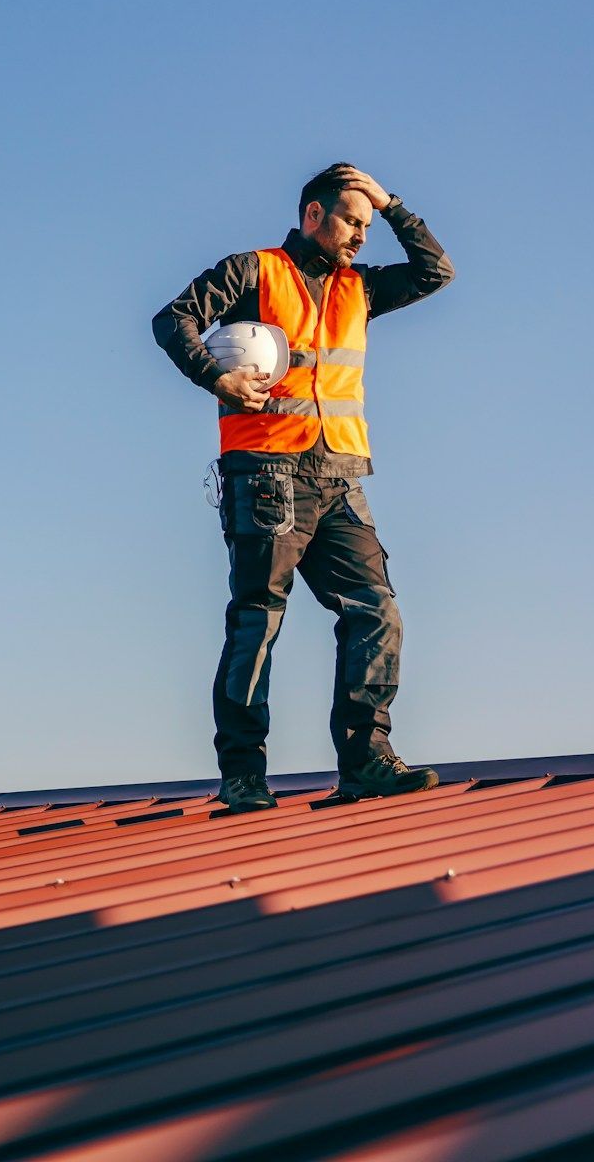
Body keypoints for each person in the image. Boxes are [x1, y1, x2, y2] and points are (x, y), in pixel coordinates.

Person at [152, 163, 455, 812]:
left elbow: (435, 272)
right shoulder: (253, 272)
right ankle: (243, 776)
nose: (362, 236)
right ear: (313, 216)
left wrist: (392, 203)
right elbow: (170, 319)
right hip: (266, 474)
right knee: (258, 621)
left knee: (377, 611)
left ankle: (366, 762)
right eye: (352, 220)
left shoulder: (360, 288)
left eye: (368, 225)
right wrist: (216, 378)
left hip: (341, 476)